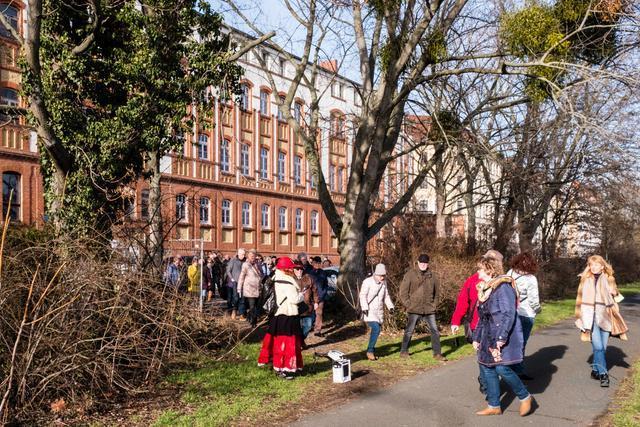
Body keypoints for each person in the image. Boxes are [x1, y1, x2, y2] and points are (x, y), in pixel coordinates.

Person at [473, 257, 533, 417]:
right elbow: (482, 317)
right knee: (486, 367)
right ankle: (494, 405)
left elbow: (509, 313)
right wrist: (476, 337)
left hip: (501, 333)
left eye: (480, 269)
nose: (477, 272)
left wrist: (501, 337)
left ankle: (525, 396)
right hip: (487, 335)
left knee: (502, 367)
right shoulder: (485, 289)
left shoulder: (503, 287)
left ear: (489, 269)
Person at [451, 249, 504, 393]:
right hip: (478, 325)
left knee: (492, 357)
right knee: (483, 356)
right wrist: (455, 321)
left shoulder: (503, 282)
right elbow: (463, 301)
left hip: (496, 327)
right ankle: (486, 383)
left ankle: (488, 382)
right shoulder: (473, 280)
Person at [575, 255, 628, 387]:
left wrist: (614, 292)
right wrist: (579, 316)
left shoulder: (609, 278)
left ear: (602, 266)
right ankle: (604, 374)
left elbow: (618, 297)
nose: (593, 267)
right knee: (598, 347)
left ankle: (595, 370)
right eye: (591, 265)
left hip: (605, 316)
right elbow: (579, 299)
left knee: (602, 348)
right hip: (589, 317)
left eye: (596, 264)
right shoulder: (584, 279)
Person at [257, 257, 305, 379]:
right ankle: (285, 368)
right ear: (286, 269)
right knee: (288, 344)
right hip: (288, 315)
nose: (292, 270)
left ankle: (277, 365)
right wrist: (301, 295)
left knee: (277, 343)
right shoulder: (287, 280)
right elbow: (294, 299)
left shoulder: (275, 277)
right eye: (290, 267)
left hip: (278, 315)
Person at [399, 254, 446, 361]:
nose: (423, 265)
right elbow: (403, 292)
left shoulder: (433, 276)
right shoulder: (410, 274)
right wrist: (408, 304)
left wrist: (434, 304)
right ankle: (404, 351)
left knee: (435, 331)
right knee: (409, 331)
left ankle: (437, 354)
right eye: (422, 263)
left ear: (428, 264)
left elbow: (437, 293)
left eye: (425, 263)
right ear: (418, 262)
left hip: (429, 309)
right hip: (414, 308)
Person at [507, 252, 541, 380]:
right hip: (526, 313)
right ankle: (518, 370)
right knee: (521, 342)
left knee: (510, 341)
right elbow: (533, 300)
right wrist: (538, 310)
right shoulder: (531, 278)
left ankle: (508, 366)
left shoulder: (509, 273)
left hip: (511, 312)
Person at [359, 263, 394, 360]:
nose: (382, 278)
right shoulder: (367, 282)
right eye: (381, 276)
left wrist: (390, 307)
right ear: (376, 274)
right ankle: (370, 351)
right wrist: (364, 308)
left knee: (377, 330)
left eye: (384, 276)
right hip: (369, 310)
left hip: (379, 311)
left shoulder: (384, 283)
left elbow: (386, 296)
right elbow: (362, 295)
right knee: (376, 329)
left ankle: (371, 349)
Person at [238, 249, 264, 327]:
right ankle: (253, 322)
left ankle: (251, 318)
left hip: (258, 288)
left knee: (256, 305)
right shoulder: (245, 265)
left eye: (254, 255)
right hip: (249, 288)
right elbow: (242, 276)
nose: (253, 257)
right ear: (248, 256)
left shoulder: (258, 264)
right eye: (251, 256)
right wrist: (239, 287)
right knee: (252, 306)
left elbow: (262, 274)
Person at [298, 262, 319, 347]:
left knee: (308, 326)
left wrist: (316, 302)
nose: (299, 271)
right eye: (297, 269)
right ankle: (299, 342)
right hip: (296, 308)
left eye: (301, 269)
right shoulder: (291, 279)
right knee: (297, 328)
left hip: (307, 307)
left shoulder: (308, 278)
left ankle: (301, 340)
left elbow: (315, 291)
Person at [309, 256, 329, 337]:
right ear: (313, 263)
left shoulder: (323, 273)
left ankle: (317, 330)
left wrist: (323, 293)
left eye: (319, 263)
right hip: (311, 297)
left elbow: (325, 284)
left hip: (320, 296)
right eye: (315, 263)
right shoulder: (310, 273)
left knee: (319, 313)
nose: (317, 264)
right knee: (310, 312)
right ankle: (309, 326)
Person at [226, 248, 246, 319]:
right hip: (235, 282)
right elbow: (228, 270)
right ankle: (234, 311)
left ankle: (241, 314)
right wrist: (232, 279)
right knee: (236, 297)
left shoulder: (246, 261)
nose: (243, 256)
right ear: (238, 254)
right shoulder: (233, 260)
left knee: (242, 298)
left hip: (244, 282)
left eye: (244, 254)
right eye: (242, 254)